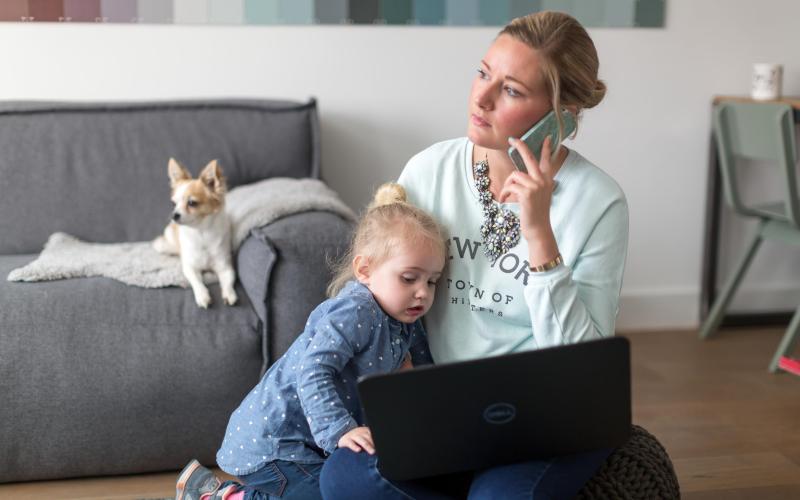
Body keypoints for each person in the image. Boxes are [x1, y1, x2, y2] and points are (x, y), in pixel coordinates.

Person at [319, 10, 628, 500]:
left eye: (511, 90)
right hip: (446, 407)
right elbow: (381, 297)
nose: (480, 98)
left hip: (548, 416)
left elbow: (581, 367)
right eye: (483, 73)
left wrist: (539, 234)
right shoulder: (428, 172)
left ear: (561, 115)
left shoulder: (598, 202)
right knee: (343, 478)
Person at [174, 183, 446, 500]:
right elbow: (313, 371)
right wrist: (340, 430)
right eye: (409, 278)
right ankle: (221, 496)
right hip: (276, 443)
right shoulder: (356, 310)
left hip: (310, 446)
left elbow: (426, 377)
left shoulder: (407, 320)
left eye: (432, 281)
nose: (423, 292)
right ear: (365, 269)